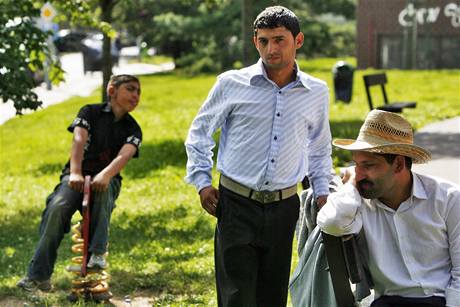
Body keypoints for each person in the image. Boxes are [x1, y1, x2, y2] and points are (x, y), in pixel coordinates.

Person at [185, 6, 332, 307]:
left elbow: (318, 148)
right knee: (237, 297)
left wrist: (322, 193)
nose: (271, 48)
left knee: (273, 296)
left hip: (284, 208)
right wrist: (202, 183)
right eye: (263, 41)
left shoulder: (316, 91)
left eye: (279, 40)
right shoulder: (231, 84)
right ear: (255, 42)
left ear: (298, 40)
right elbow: (199, 133)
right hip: (235, 205)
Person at [317, 110, 460, 307]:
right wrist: (349, 186)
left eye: (368, 165)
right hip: (387, 302)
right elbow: (331, 223)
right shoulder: (357, 203)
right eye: (356, 165)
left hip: (441, 300)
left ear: (399, 164)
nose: (359, 174)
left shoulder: (448, 198)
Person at [17, 74, 142, 291]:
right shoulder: (89, 112)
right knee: (57, 208)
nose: (136, 95)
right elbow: (78, 140)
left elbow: (124, 155)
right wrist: (74, 172)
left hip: (107, 179)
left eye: (138, 92)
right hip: (75, 176)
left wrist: (105, 175)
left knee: (103, 194)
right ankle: (38, 276)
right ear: (112, 90)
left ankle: (97, 254)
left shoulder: (133, 129)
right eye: (130, 89)